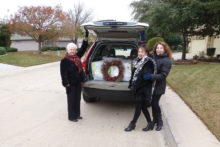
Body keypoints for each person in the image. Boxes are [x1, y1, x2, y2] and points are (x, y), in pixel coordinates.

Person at [125, 44, 157, 132]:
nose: (140, 53)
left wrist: (135, 86)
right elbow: (134, 74)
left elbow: (145, 77)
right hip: (138, 87)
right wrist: (132, 83)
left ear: (146, 52)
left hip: (144, 88)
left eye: (142, 52)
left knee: (138, 107)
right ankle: (150, 123)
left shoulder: (148, 62)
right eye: (139, 51)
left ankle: (132, 124)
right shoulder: (137, 61)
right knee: (142, 107)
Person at [60, 28, 89, 122]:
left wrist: (86, 38)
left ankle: (77, 114)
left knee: (77, 99)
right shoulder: (65, 60)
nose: (72, 51)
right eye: (70, 49)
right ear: (67, 50)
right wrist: (66, 85)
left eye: (73, 49)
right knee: (71, 100)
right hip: (70, 84)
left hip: (78, 83)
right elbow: (63, 74)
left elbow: (83, 48)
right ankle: (71, 116)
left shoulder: (77, 57)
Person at [143, 41, 172, 131]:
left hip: (158, 86)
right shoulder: (153, 57)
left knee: (155, 103)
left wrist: (151, 76)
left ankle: (159, 121)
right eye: (157, 48)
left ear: (165, 49)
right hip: (151, 85)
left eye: (161, 48)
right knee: (152, 103)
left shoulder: (166, 61)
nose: (158, 50)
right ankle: (155, 120)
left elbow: (163, 75)